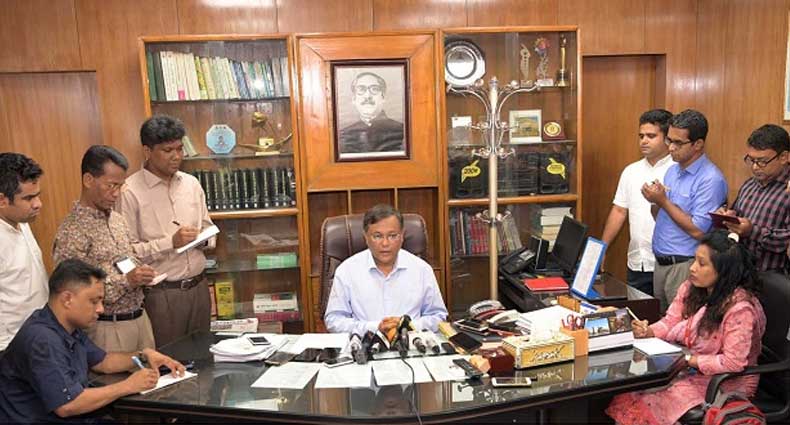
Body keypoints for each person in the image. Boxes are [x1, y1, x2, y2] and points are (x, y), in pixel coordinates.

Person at [607, 230, 765, 425]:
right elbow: (670, 321)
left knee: (651, 397)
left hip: (727, 381)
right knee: (632, 389)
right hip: (688, 366)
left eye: (701, 263)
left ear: (723, 271)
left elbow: (733, 363)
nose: (692, 268)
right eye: (694, 260)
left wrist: (689, 360)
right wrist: (648, 332)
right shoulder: (692, 288)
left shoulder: (740, 309)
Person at [0, 259, 184, 423]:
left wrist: (143, 356)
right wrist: (128, 386)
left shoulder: (67, 326)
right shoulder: (42, 339)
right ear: (67, 299)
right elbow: (67, 405)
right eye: (94, 301)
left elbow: (102, 361)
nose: (100, 309)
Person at [117, 115, 214, 347]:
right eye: (168, 150)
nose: (177, 156)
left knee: (203, 358)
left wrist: (204, 239)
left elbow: (208, 226)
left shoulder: (191, 184)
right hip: (162, 295)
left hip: (200, 288)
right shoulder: (129, 192)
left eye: (180, 148)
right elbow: (124, 255)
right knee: (168, 361)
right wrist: (170, 242)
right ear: (147, 151)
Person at [53, 145, 157, 352]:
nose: (116, 194)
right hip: (106, 328)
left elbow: (128, 260)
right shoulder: (72, 230)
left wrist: (141, 274)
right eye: (111, 185)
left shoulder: (118, 220)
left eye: (121, 186)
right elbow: (74, 291)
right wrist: (126, 281)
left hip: (140, 319)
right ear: (88, 180)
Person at [642, 109, 728, 311]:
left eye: (678, 143)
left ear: (698, 144)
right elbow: (662, 217)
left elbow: (699, 231)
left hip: (684, 265)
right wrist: (654, 201)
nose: (671, 148)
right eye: (669, 140)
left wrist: (663, 201)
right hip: (660, 263)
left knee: (682, 324)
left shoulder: (710, 179)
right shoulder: (673, 171)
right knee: (661, 322)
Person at [324, 204, 448, 335]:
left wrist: (406, 325)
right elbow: (334, 320)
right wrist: (375, 327)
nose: (385, 243)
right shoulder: (347, 271)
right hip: (365, 343)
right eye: (377, 236)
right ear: (365, 237)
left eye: (392, 236)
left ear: (402, 236)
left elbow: (438, 316)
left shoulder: (422, 270)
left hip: (412, 343)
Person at [601, 109, 674, 295]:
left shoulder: (677, 171)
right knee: (638, 311)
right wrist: (602, 249)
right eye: (641, 136)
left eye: (651, 136)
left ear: (667, 139)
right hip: (637, 261)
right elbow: (619, 211)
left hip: (667, 262)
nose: (644, 141)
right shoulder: (631, 171)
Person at [717, 124, 789, 273]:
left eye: (762, 161)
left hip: (773, 277)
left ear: (784, 157)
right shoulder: (749, 184)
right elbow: (736, 216)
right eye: (751, 160)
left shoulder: (788, 190)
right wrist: (728, 217)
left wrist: (752, 231)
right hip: (741, 273)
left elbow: (787, 240)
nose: (755, 167)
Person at [0, 153, 48, 351]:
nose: (38, 204)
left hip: (39, 335)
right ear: (2, 200)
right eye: (29, 198)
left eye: (37, 195)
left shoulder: (22, 221)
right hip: (10, 347)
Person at [338, 72, 405, 155]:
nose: (367, 96)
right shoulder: (342, 135)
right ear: (354, 99)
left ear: (383, 98)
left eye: (374, 89)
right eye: (361, 89)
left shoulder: (403, 131)